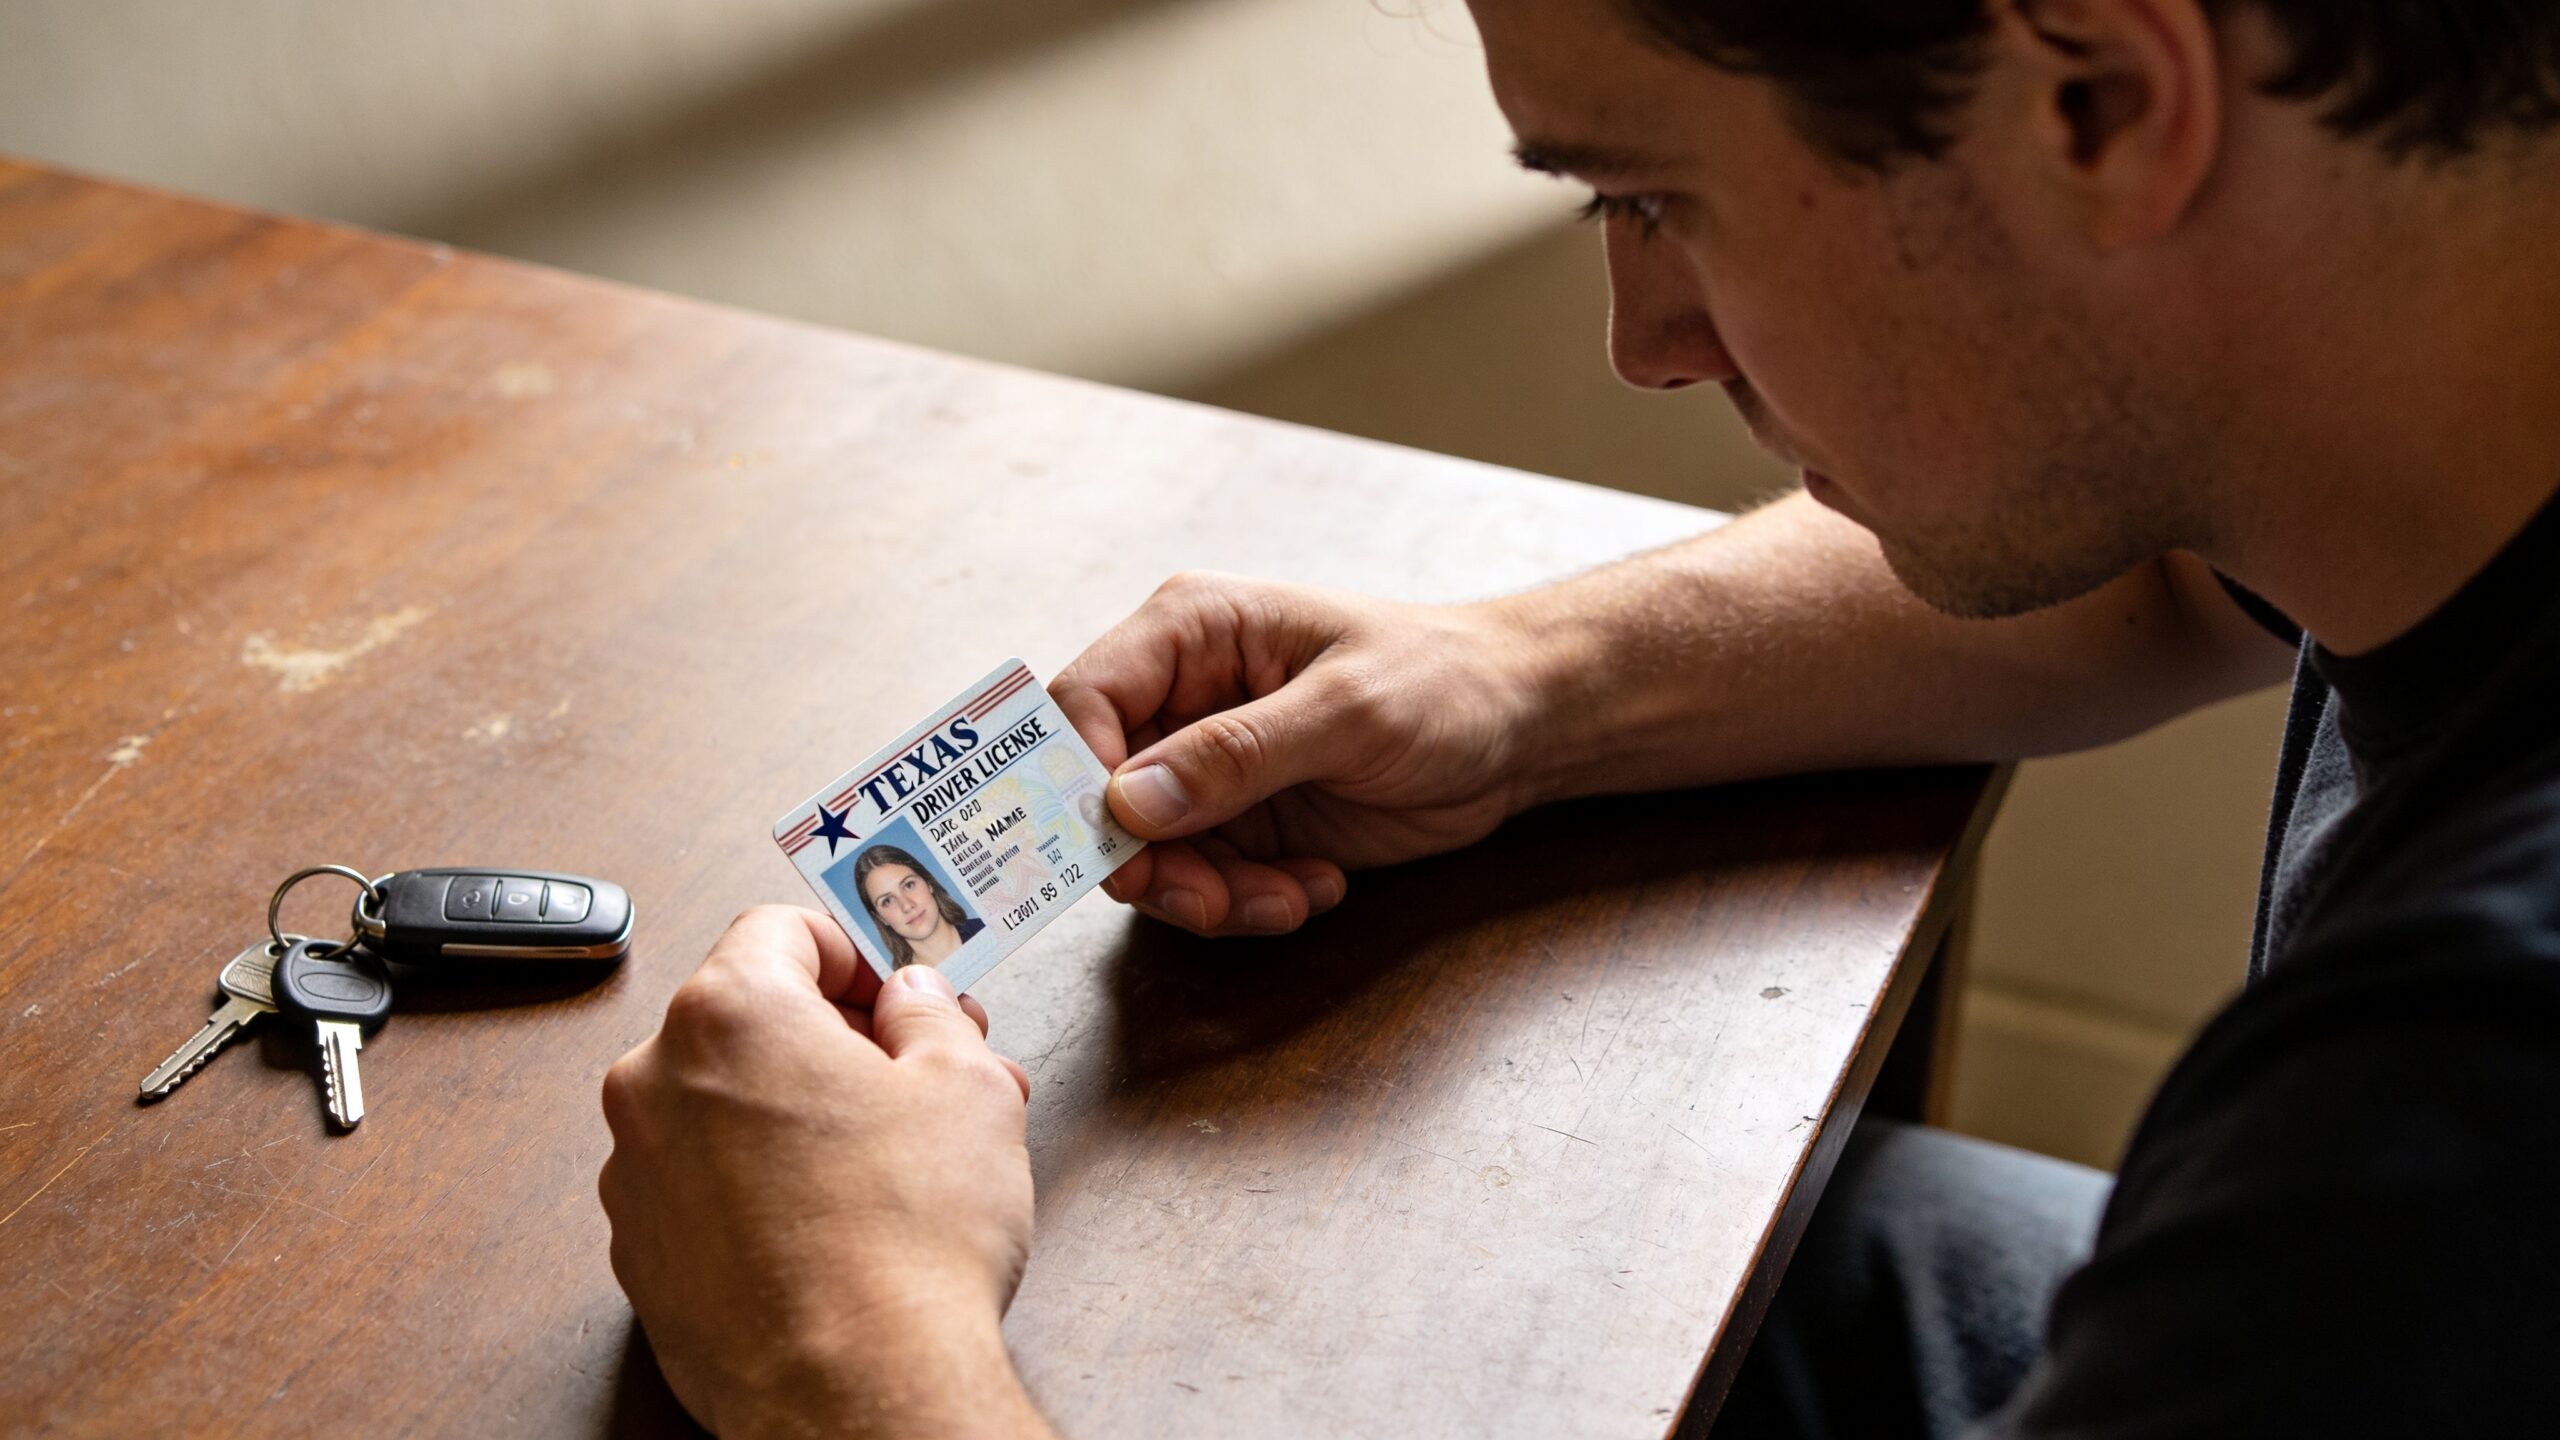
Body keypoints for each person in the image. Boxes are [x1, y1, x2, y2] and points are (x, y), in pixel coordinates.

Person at [596, 1, 2560, 1435]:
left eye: (1651, 196)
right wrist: (1525, 690)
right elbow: (2171, 565)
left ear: (2102, 99)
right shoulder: (2421, 364)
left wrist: (843, 1344)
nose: (1643, 344)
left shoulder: (2450, 1115)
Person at [852, 844, 984, 970]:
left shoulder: (987, 929)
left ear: (929, 883)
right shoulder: (903, 989)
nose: (907, 906)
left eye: (909, 885)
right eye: (887, 901)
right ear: (880, 917)